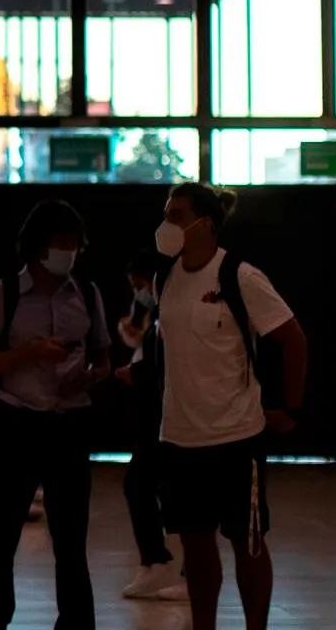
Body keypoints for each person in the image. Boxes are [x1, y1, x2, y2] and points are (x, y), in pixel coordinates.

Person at [153, 184, 308, 630]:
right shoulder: (167, 278)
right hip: (180, 438)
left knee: (249, 541)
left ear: (205, 223)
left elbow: (293, 340)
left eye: (177, 215)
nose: (167, 225)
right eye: (166, 214)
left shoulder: (240, 276)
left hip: (237, 437)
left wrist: (291, 409)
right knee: (196, 547)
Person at [0, 199, 111, 630]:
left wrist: (88, 377)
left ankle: (76, 623)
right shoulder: (4, 293)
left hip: (70, 424)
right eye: (60, 243)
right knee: (2, 537)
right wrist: (26, 354)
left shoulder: (86, 293)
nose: (69, 253)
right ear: (36, 247)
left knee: (71, 542)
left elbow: (104, 360)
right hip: (17, 424)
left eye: (75, 244)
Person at [118, 250, 189, 602]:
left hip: (179, 419)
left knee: (156, 487)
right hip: (159, 418)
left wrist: (135, 374)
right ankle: (160, 563)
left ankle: (178, 570)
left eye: (141, 285)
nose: (139, 293)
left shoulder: (177, 314)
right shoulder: (159, 317)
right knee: (147, 486)